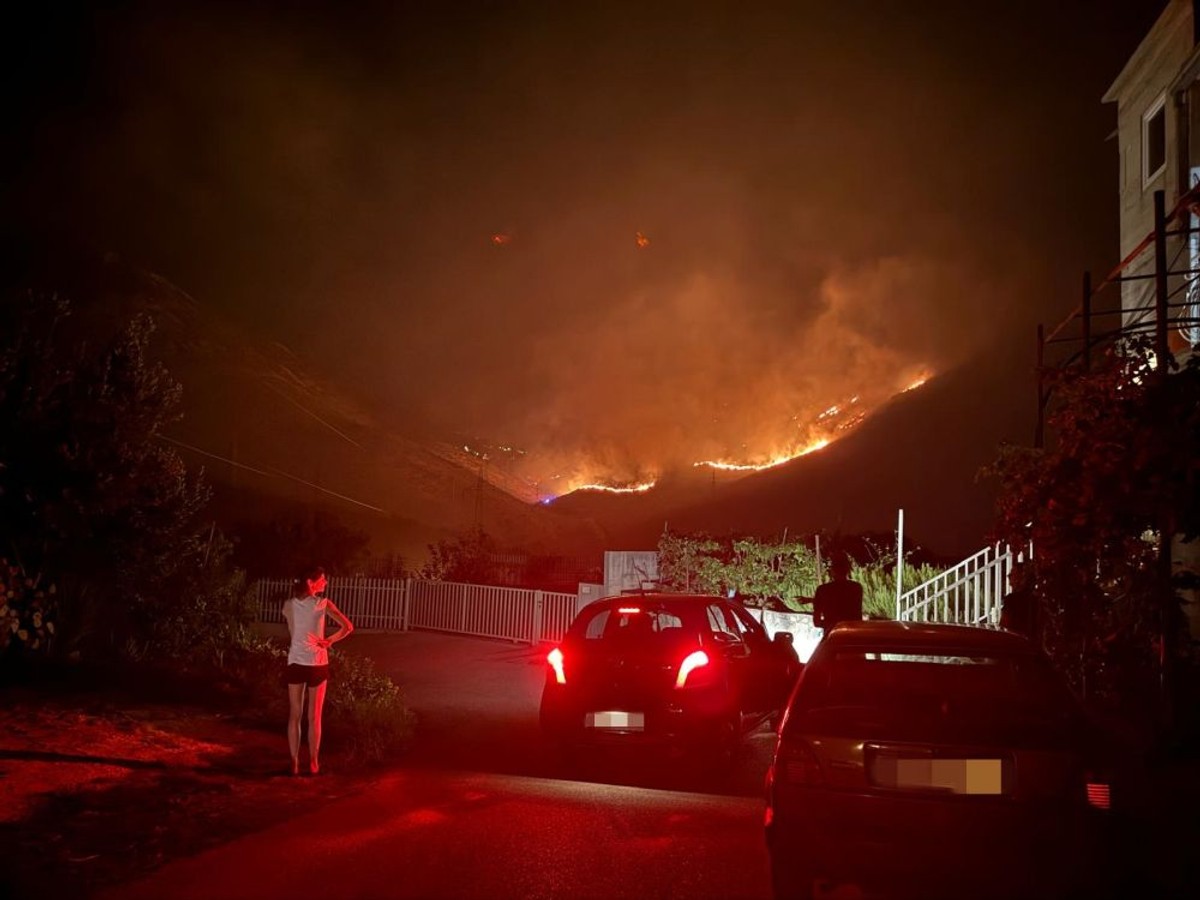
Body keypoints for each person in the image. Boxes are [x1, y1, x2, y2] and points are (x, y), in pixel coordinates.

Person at [281, 566, 354, 776]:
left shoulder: (288, 605)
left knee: (294, 715)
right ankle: (313, 762)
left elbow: (292, 628)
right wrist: (329, 641)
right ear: (311, 583)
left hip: (296, 662)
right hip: (318, 663)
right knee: (315, 716)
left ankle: (294, 762)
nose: (326, 582)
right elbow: (348, 627)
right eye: (322, 579)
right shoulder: (323, 604)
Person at [812, 555, 863, 637]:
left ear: (832, 570)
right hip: (852, 637)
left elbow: (816, 622)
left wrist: (829, 624)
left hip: (832, 638)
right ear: (848, 569)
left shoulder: (823, 590)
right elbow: (858, 617)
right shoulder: (856, 588)